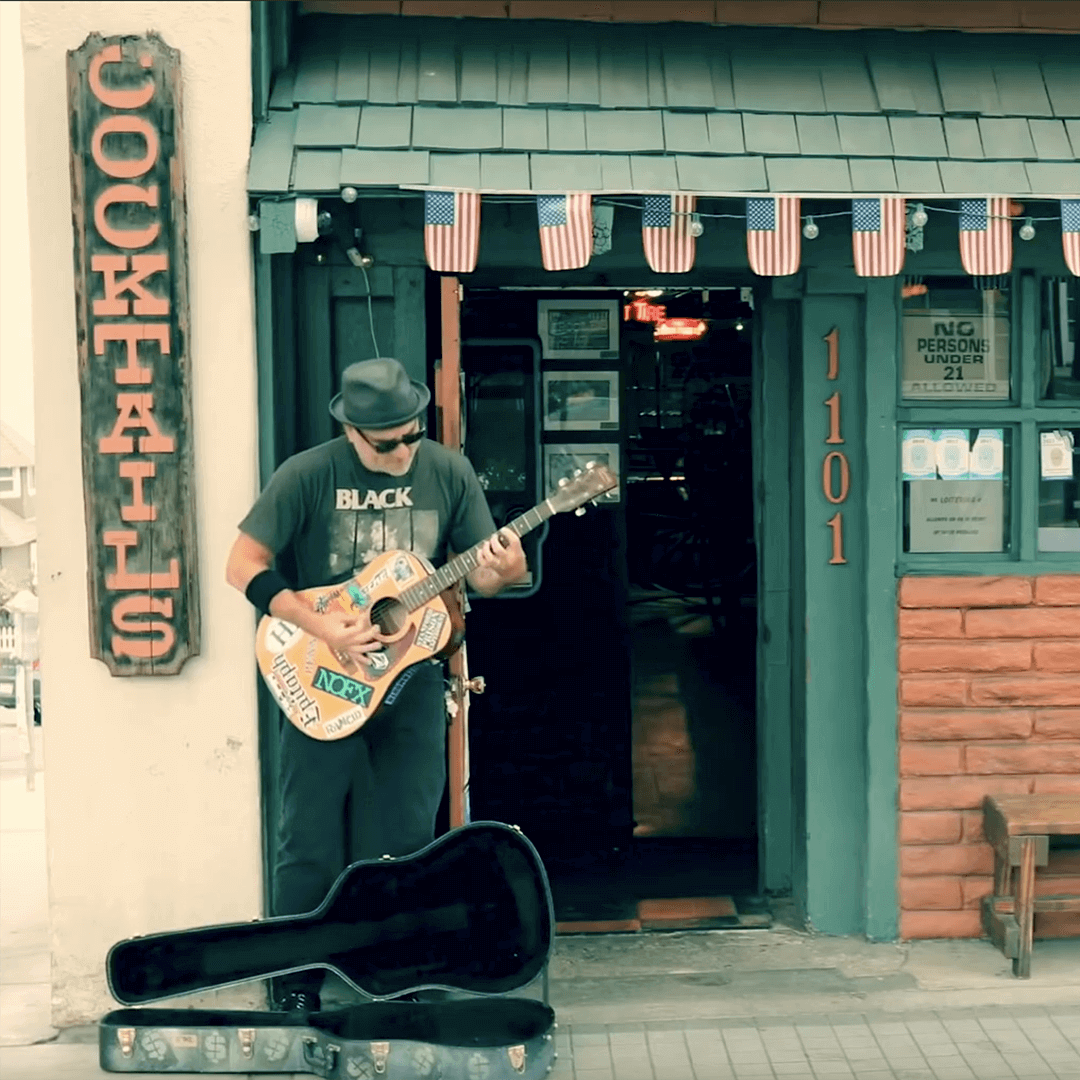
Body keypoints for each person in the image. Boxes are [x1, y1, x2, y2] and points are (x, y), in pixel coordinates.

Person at [225, 357, 526, 1013]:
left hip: (411, 682)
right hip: (320, 678)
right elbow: (241, 565)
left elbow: (482, 576)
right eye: (386, 442)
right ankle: (297, 981)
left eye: (411, 435)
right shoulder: (308, 474)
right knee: (306, 838)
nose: (402, 451)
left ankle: (395, 973)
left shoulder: (447, 471)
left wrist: (507, 569)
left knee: (405, 838)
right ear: (352, 431)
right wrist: (322, 627)